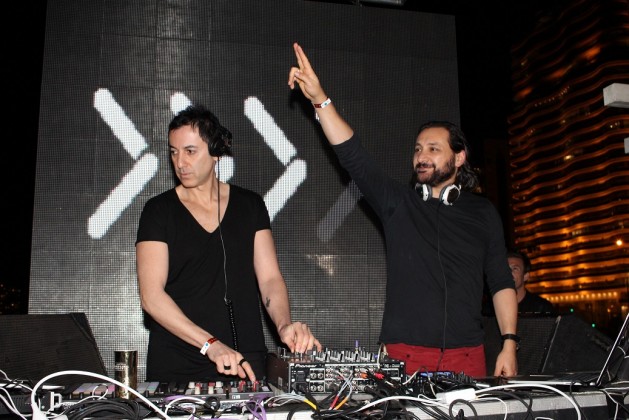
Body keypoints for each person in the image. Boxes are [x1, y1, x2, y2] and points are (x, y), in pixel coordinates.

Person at [288, 42, 518, 378]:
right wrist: (320, 99)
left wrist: (509, 344)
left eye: (433, 149)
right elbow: (353, 156)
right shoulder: (397, 203)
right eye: (418, 149)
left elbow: (500, 281)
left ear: (459, 157)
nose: (421, 156)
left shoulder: (483, 213)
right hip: (404, 355)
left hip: (467, 356)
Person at [136, 104, 322, 383]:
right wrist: (210, 344)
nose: (180, 162)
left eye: (190, 151)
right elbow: (151, 297)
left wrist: (284, 325)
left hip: (245, 362)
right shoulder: (158, 211)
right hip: (178, 365)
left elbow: (270, 279)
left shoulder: (250, 206)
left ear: (216, 151)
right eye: (173, 152)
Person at [508, 250, 555, 315]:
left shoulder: (542, 308)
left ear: (525, 276)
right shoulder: (495, 306)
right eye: (506, 269)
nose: (508, 273)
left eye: (515, 269)